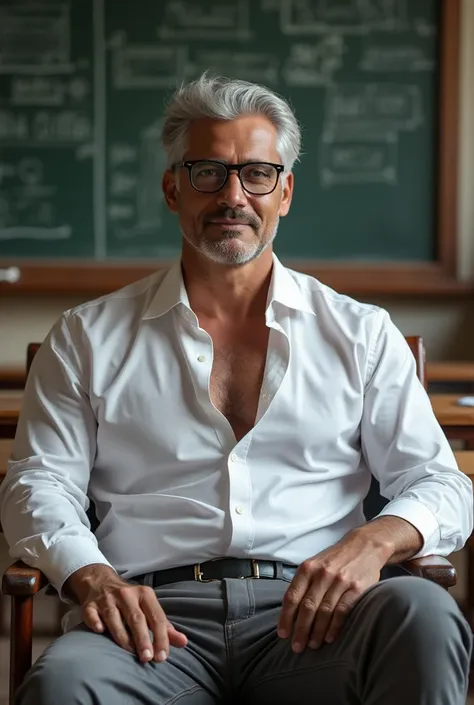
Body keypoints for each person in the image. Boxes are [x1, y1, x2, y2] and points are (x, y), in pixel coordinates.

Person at [1, 74, 472, 705]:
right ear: (172, 188)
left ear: (285, 192)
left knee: (425, 615)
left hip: (317, 616)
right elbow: (39, 483)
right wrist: (92, 577)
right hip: (150, 623)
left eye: (256, 174)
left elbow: (442, 485)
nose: (232, 196)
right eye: (207, 173)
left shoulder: (360, 333)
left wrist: (373, 540)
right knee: (63, 684)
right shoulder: (86, 337)